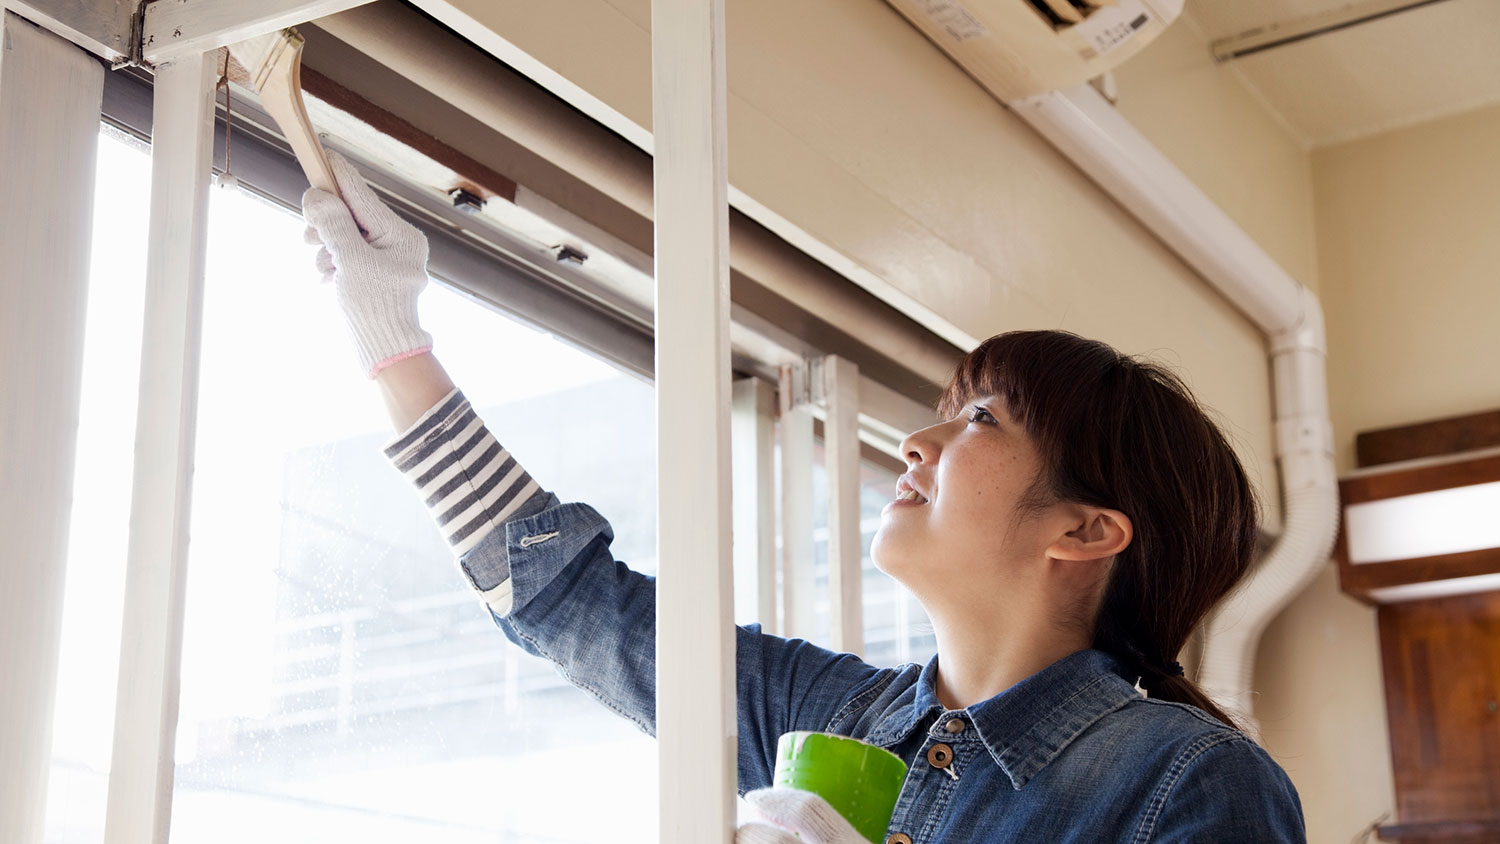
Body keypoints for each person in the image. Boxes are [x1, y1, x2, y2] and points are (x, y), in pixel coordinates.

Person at [302, 151, 1306, 844]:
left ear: (1086, 531)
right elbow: (566, 598)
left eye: (982, 421)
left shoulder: (1190, 779)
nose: (918, 439)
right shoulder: (829, 713)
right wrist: (391, 336)